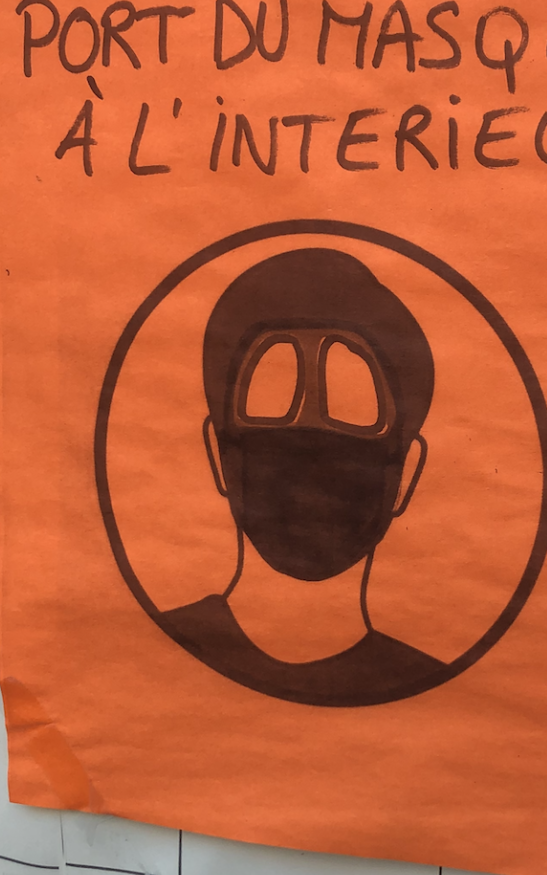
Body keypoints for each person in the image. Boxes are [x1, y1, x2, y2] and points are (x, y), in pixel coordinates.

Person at [155, 247, 445, 706]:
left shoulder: (431, 691)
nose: (309, 439)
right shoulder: (152, 651)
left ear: (406, 473)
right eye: (271, 398)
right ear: (217, 451)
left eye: (353, 407)